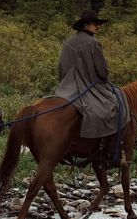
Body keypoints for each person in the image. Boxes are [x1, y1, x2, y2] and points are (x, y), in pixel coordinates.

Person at [52, 10, 128, 141]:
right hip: (90, 86)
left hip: (66, 88)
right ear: (85, 25)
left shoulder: (67, 44)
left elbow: (62, 70)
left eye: (98, 24)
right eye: (94, 24)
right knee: (117, 99)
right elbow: (102, 72)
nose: (98, 26)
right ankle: (112, 145)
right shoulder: (94, 43)